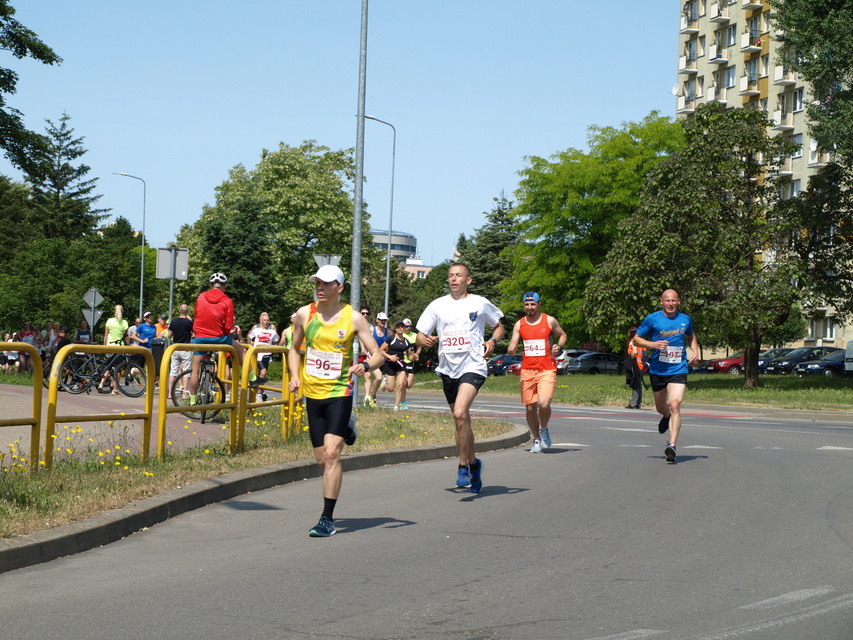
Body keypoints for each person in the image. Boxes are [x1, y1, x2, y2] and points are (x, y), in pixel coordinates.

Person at [287, 264, 385, 537]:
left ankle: (327, 518)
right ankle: (349, 427)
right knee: (321, 459)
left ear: (339, 288)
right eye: (317, 282)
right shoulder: (305, 314)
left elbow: (377, 354)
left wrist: (364, 367)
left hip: (339, 392)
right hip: (313, 393)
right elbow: (294, 349)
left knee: (332, 454)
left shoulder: (353, 319)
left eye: (326, 283)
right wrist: (295, 375)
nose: (320, 287)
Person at [416, 262, 505, 493]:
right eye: (450, 275)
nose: (454, 279)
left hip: (473, 365)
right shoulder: (437, 305)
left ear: (469, 280)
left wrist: (492, 341)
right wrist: (423, 341)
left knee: (459, 413)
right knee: (460, 420)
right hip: (448, 369)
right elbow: (419, 335)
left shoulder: (479, 303)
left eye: (459, 275)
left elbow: (499, 327)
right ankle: (475, 463)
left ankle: (463, 466)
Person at [632, 289, 699, 464]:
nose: (670, 303)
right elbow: (637, 339)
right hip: (658, 370)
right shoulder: (652, 319)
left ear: (678, 302)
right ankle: (666, 416)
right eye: (667, 301)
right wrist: (652, 344)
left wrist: (695, 351)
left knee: (675, 404)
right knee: (661, 408)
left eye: (673, 301)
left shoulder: (685, 319)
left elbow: (691, 336)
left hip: (679, 368)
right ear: (661, 302)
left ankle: (672, 445)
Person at [507, 291, 567, 453]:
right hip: (527, 370)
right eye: (526, 305)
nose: (529, 307)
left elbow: (562, 335)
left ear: (539, 304)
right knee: (530, 408)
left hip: (547, 369)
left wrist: (559, 346)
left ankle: (544, 428)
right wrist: (512, 348)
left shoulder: (549, 320)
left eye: (533, 304)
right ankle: (536, 439)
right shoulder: (520, 324)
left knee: (543, 403)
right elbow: (513, 344)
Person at [189, 273, 256, 406]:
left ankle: (192, 401)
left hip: (199, 337)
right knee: (241, 350)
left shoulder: (201, 296)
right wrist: (223, 333)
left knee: (195, 369)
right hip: (218, 337)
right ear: (224, 286)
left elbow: (196, 315)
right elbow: (229, 325)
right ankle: (252, 377)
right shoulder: (227, 301)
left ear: (210, 284)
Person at [380, 321, 415, 411]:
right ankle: (386, 385)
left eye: (402, 327)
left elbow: (409, 356)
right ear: (395, 329)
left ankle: (396, 406)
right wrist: (390, 356)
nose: (400, 328)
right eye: (398, 327)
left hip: (400, 365)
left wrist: (414, 357)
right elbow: (381, 350)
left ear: (404, 329)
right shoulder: (391, 339)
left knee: (400, 385)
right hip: (390, 365)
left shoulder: (406, 342)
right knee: (391, 389)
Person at [247, 312, 279, 402]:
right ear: (260, 321)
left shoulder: (272, 332)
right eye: (264, 320)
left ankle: (260, 390)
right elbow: (250, 336)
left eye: (267, 320)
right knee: (263, 372)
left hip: (267, 354)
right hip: (258, 354)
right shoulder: (256, 330)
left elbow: (276, 341)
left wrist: (274, 347)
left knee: (262, 374)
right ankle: (259, 394)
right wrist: (251, 344)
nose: (266, 322)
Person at [167, 304, 194, 400]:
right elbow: (194, 333)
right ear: (187, 312)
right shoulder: (189, 323)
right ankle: (184, 394)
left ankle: (170, 393)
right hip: (186, 348)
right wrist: (190, 321)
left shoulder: (174, 321)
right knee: (186, 372)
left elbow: (169, 335)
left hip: (175, 348)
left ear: (179, 311)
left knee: (173, 371)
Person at [364, 311, 389, 407]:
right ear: (377, 320)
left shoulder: (388, 332)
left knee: (380, 380)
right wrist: (364, 349)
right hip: (372, 356)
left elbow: (389, 344)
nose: (383, 322)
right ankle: (369, 396)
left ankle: (372, 394)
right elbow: (364, 339)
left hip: (382, 358)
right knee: (378, 377)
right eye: (381, 320)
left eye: (385, 320)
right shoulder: (371, 330)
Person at [625, 326, 648, 410]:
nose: (628, 334)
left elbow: (634, 353)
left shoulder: (633, 341)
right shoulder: (641, 342)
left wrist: (629, 358)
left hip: (635, 364)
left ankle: (633, 404)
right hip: (641, 364)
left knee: (635, 384)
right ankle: (638, 403)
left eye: (628, 332)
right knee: (639, 384)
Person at [401, 318, 422, 391]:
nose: (408, 328)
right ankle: (403, 401)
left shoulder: (415, 335)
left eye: (410, 326)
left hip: (410, 361)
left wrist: (416, 354)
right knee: (402, 383)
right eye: (406, 326)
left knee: (408, 385)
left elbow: (419, 346)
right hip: (402, 361)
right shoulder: (400, 335)